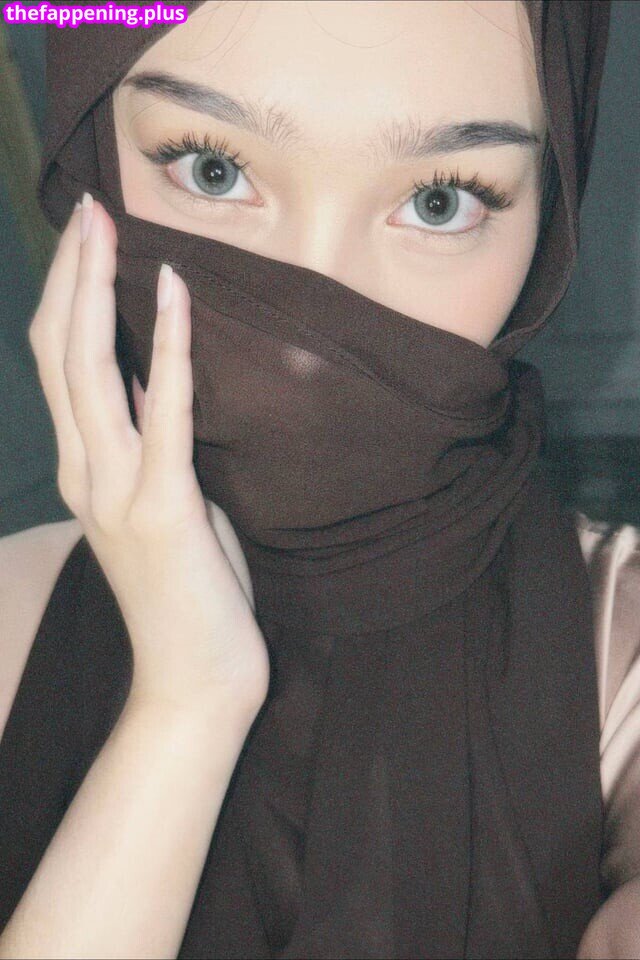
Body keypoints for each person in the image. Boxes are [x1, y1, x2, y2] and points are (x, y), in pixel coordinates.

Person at [0, 1, 637, 957]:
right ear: (90, 159)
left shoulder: (618, 655)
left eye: (440, 200)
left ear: (548, 215)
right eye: (212, 170)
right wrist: (186, 703)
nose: (314, 316)